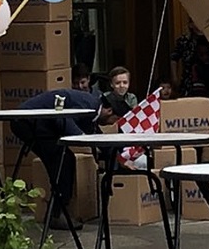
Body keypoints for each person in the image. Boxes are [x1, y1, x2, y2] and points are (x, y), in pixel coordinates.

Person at [10, 90, 129, 230]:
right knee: (63, 161)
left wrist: (118, 158)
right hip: (29, 122)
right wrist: (81, 137)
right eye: (114, 120)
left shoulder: (92, 107)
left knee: (63, 159)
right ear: (109, 111)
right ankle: (57, 214)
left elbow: (95, 135)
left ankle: (58, 210)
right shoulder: (88, 105)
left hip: (38, 122)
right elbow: (63, 118)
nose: (110, 124)